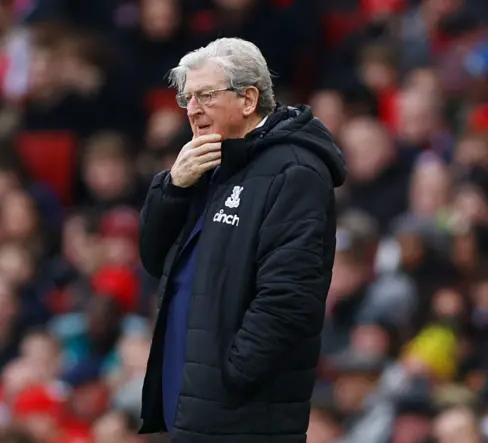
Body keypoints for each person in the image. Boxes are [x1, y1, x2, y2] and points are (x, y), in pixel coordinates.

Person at [138, 38, 347, 443]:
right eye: (187, 98)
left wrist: (232, 374)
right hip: (194, 403)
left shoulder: (295, 171)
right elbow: (153, 259)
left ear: (249, 99)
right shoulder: (209, 162)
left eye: (206, 96)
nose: (193, 110)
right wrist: (173, 188)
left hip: (241, 415)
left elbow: (288, 297)